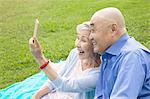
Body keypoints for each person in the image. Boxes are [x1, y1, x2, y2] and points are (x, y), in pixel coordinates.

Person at [89, 7, 150, 99]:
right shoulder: (108, 55)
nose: (90, 37)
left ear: (113, 29)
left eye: (93, 30)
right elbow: (100, 96)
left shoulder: (132, 56)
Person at [29, 22, 101, 99]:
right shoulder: (75, 53)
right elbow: (56, 77)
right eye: (77, 38)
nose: (77, 44)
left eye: (83, 40)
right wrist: (35, 96)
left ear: (94, 44)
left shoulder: (97, 75)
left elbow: (64, 85)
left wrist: (39, 57)